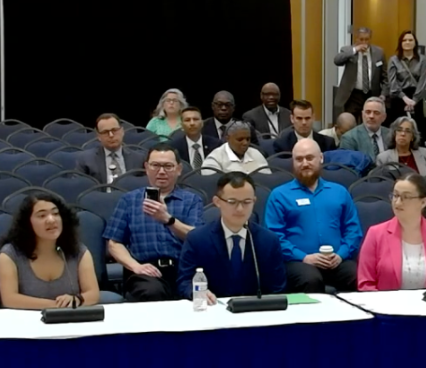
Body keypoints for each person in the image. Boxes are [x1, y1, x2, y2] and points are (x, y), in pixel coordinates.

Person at [104, 144, 204, 301]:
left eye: (168, 166)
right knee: (152, 291)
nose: (161, 171)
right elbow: (114, 244)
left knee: (202, 293)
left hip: (183, 269)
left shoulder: (192, 200)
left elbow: (197, 238)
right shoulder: (129, 200)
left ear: (178, 169)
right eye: (156, 165)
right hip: (144, 271)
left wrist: (168, 219)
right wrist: (135, 266)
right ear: (146, 167)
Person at [266, 139, 363, 293]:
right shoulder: (279, 195)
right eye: (299, 159)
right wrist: (305, 257)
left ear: (321, 158)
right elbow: (275, 237)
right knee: (311, 279)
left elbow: (353, 230)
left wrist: (341, 255)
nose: (305, 163)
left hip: (337, 260)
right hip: (298, 262)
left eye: (310, 158)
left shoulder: (339, 192)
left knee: (358, 275)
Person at [177, 172, 287, 300]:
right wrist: (197, 293)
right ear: (217, 202)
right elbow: (185, 282)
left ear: (254, 201)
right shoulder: (197, 239)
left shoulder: (268, 240)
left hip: (255, 312)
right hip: (213, 310)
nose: (240, 209)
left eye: (247, 202)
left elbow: (278, 287)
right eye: (232, 202)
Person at [358, 174, 426, 291]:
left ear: (423, 202)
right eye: (395, 196)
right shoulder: (375, 234)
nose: (397, 203)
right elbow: (366, 283)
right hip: (387, 307)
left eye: (405, 197)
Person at [0, 193, 100, 309]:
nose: (51, 220)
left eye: (55, 214)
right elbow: (10, 299)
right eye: (42, 216)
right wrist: (57, 306)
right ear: (27, 223)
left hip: (68, 321)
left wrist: (76, 300)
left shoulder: (79, 251)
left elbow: (93, 294)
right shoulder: (10, 254)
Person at [334, 27, 388, 122]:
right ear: (356, 39)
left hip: (372, 94)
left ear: (370, 39)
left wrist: (383, 94)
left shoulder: (379, 53)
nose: (364, 42)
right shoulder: (348, 50)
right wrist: (355, 50)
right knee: (350, 122)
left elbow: (385, 77)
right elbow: (337, 61)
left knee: (370, 122)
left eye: (366, 39)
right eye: (361, 39)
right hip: (353, 94)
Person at [75, 113, 146, 184]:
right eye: (105, 132)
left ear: (122, 131)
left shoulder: (139, 159)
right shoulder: (85, 160)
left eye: (114, 130)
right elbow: (79, 186)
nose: (111, 135)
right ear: (98, 136)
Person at [387, 30, 426, 128]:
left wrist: (414, 100)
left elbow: (423, 81)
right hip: (399, 98)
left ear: (415, 42)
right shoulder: (394, 60)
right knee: (399, 128)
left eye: (410, 40)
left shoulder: (422, 60)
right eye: (404, 40)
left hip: (416, 98)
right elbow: (392, 83)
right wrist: (404, 98)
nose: (407, 42)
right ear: (400, 43)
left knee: (417, 129)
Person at [202, 122, 268, 174]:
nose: (245, 143)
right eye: (240, 139)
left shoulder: (255, 153)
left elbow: (266, 179)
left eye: (248, 139)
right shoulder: (214, 159)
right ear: (227, 138)